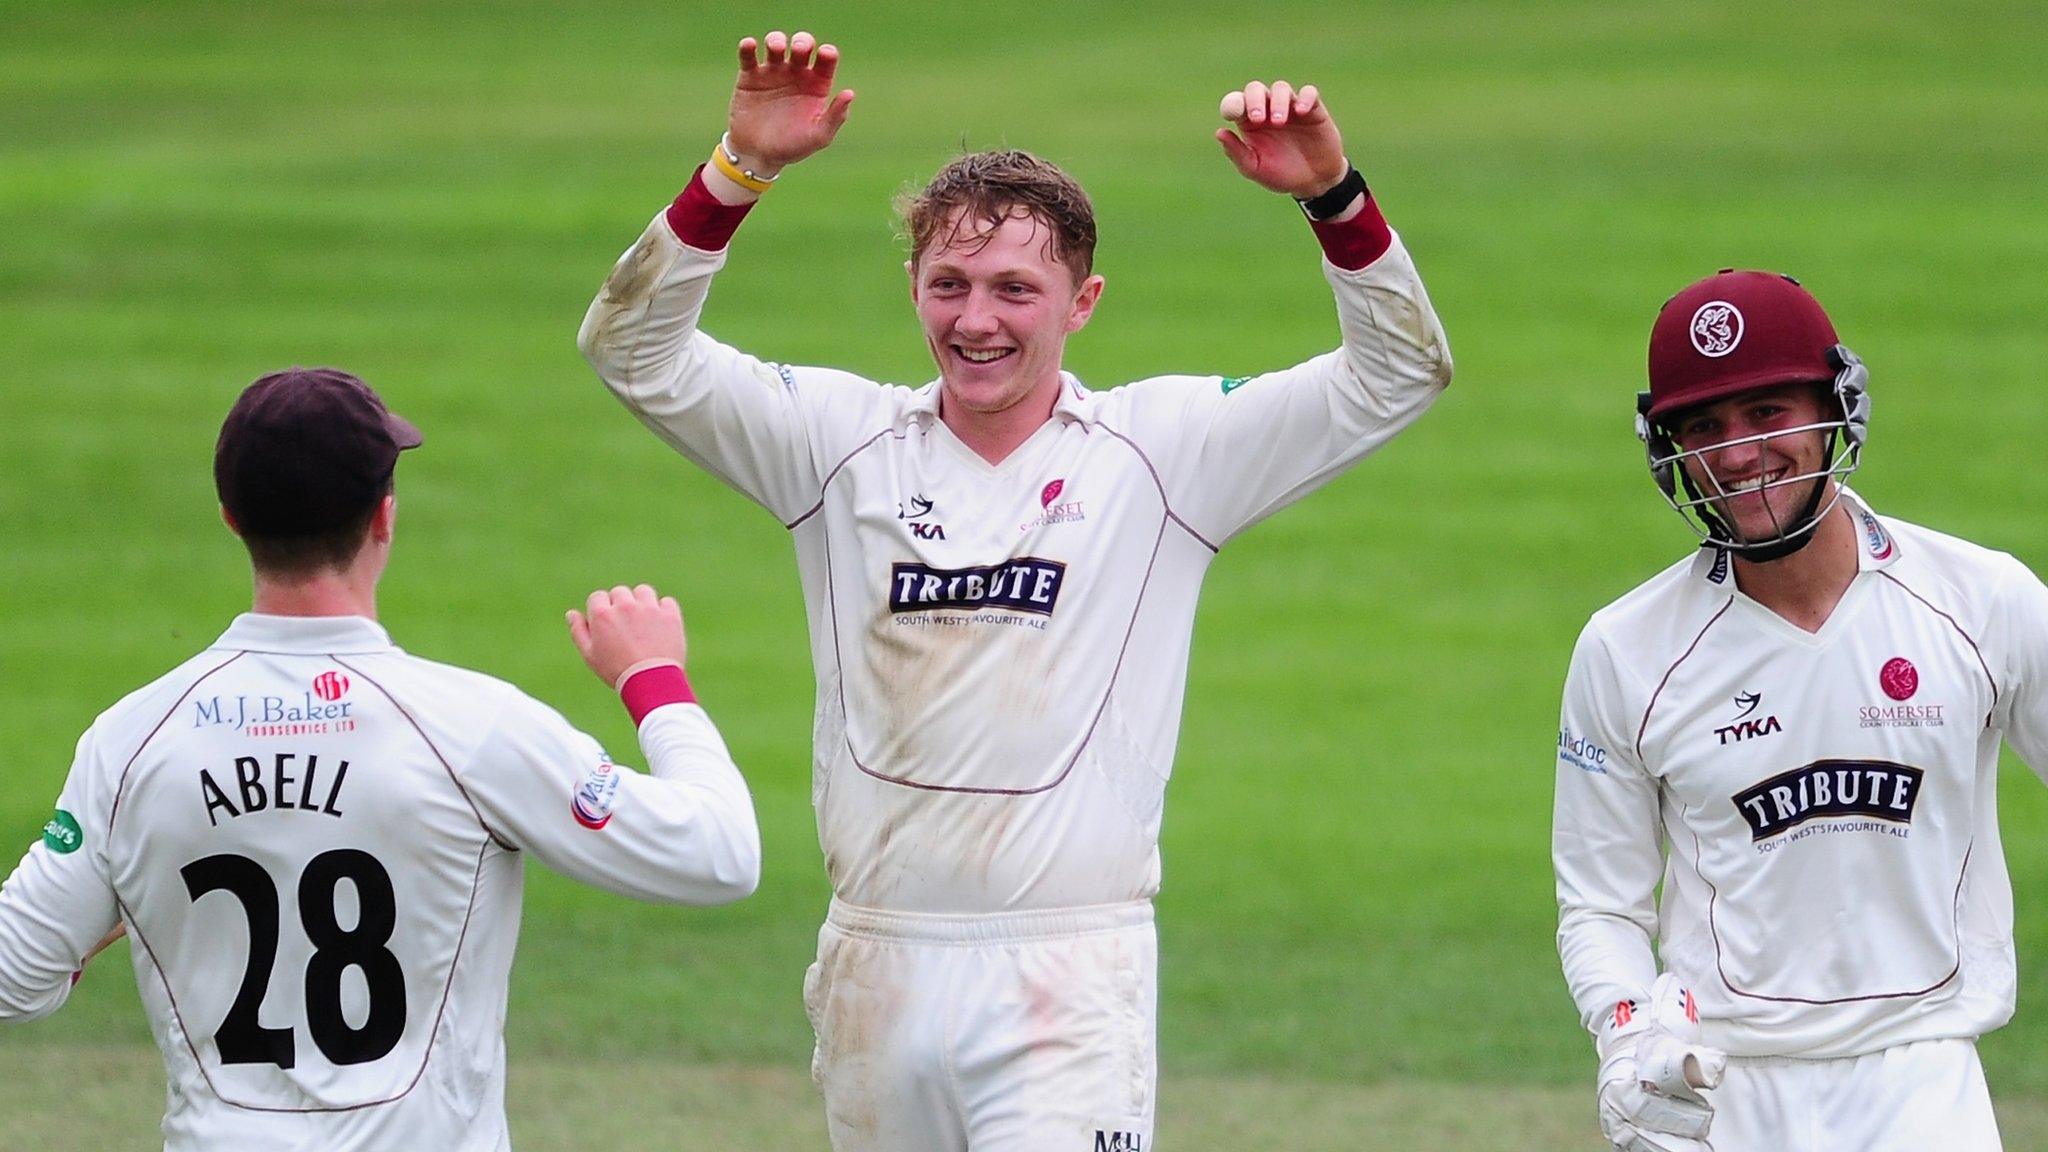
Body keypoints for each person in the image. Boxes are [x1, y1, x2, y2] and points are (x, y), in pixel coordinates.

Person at [577, 29, 1452, 1151]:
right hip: (875, 965)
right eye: (947, 284)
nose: (973, 320)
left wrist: (1333, 197)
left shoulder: (1164, 450)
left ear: (1081, 302)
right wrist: (738, 172)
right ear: (911, 286)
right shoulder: (835, 444)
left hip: (1065, 976)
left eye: (1012, 290)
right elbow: (631, 350)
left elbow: (1398, 374)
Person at [0, 367, 762, 1152]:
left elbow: (12, 974)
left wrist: (117, 910)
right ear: (384, 518)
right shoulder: (470, 726)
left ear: (231, 519)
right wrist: (654, 681)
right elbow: (721, 854)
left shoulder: (131, 743)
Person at [1553, 269, 2048, 1152]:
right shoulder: (1626, 649)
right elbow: (1600, 902)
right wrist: (1627, 1032)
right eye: (1704, 427)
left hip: (1924, 1083)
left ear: (1839, 408)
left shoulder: (1982, 602)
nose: (1739, 455)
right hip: (1718, 1091)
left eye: (1768, 413)